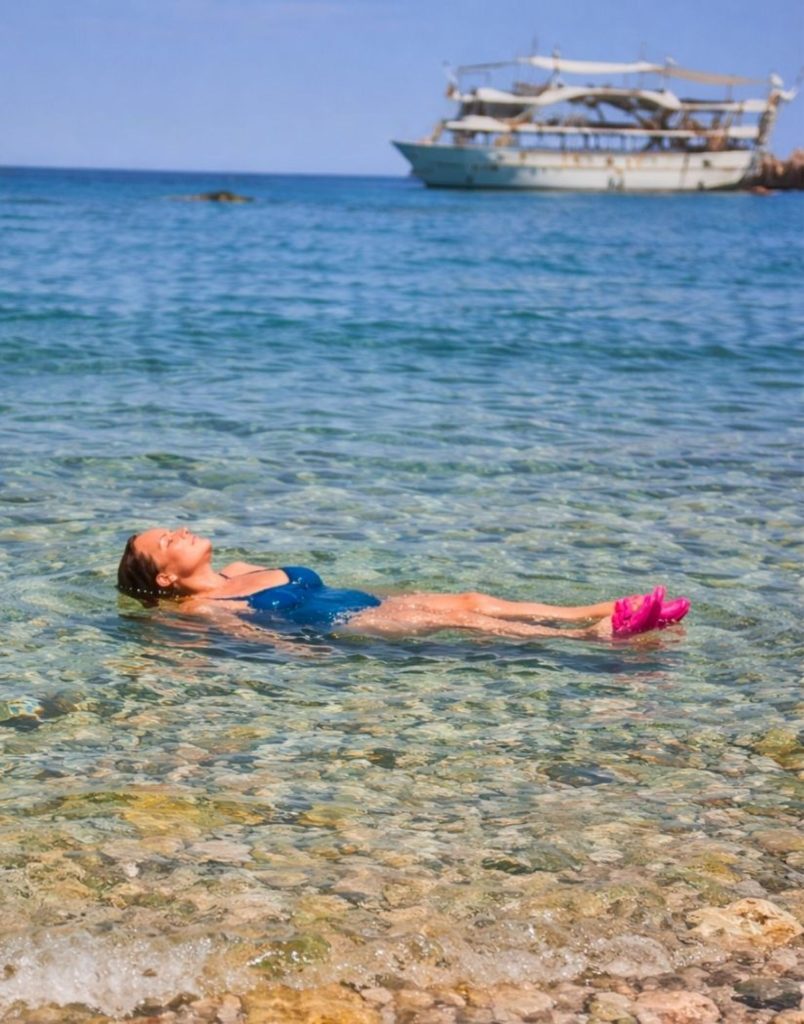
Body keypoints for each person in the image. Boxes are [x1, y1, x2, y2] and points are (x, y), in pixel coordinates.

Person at [117, 526, 690, 641]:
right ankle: (591, 635)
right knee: (464, 620)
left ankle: (596, 607)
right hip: (348, 621)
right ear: (166, 576)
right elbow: (257, 640)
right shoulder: (202, 609)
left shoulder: (240, 572)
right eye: (167, 540)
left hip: (368, 600)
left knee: (472, 598)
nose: (180, 530)